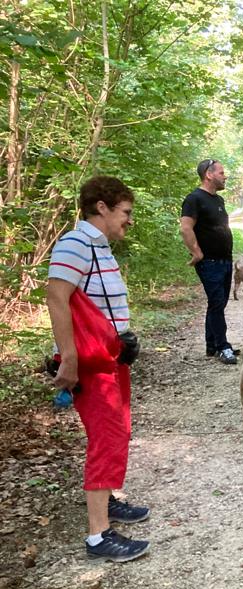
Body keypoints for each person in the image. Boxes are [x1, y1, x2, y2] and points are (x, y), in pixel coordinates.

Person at [46, 176, 150, 562]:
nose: (129, 220)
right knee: (106, 437)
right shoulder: (75, 243)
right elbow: (57, 298)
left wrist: (123, 336)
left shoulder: (99, 245)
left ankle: (107, 501)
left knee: (118, 429)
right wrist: (68, 358)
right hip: (90, 362)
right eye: (125, 212)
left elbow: (99, 303)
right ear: (102, 207)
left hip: (110, 356)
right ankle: (98, 536)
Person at [180, 159, 237, 364]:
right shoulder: (194, 199)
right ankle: (223, 347)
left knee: (218, 304)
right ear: (208, 174)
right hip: (210, 262)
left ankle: (212, 345)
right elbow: (186, 227)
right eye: (221, 173)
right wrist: (196, 252)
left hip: (225, 259)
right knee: (216, 302)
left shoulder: (218, 200)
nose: (225, 176)